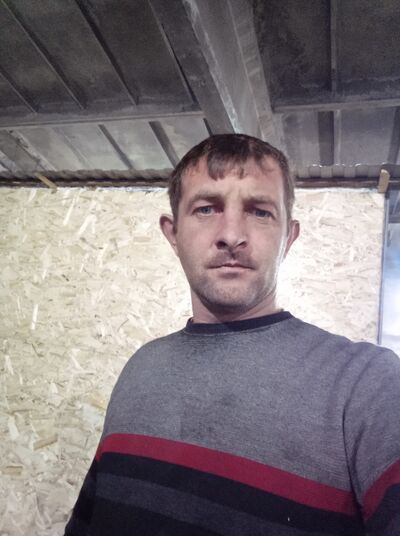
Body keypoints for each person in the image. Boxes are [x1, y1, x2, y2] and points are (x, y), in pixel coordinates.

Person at [65, 134, 400, 536]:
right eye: (206, 208)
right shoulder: (139, 369)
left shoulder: (369, 385)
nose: (231, 234)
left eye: (260, 212)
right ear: (173, 234)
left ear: (288, 238)